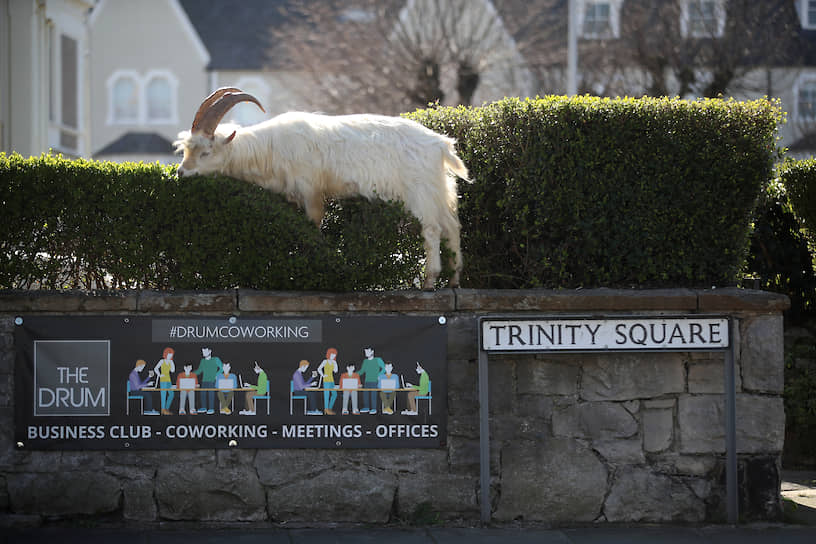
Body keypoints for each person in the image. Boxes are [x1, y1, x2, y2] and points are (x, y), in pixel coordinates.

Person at [194, 347, 223, 415]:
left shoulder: (216, 359)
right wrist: (191, 373)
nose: (203, 353)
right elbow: (199, 370)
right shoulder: (202, 361)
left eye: (205, 351)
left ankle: (211, 408)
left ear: (210, 351)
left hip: (212, 380)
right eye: (203, 351)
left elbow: (222, 368)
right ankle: (204, 408)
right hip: (204, 380)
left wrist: (216, 375)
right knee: (203, 394)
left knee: (211, 394)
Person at [358, 347, 385, 414]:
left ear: (372, 351)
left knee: (373, 394)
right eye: (365, 352)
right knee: (365, 394)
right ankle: (366, 407)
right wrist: (353, 374)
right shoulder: (365, 361)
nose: (366, 353)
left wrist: (379, 375)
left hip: (375, 381)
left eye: (368, 351)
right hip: (367, 381)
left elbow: (384, 368)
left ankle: (374, 408)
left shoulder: (378, 360)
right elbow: (361, 371)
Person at [154, 347, 176, 415]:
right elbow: (155, 368)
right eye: (169, 354)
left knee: (171, 394)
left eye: (171, 355)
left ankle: (166, 408)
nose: (170, 356)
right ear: (166, 354)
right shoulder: (162, 361)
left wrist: (172, 362)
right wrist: (160, 375)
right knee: (163, 395)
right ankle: (163, 410)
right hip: (163, 380)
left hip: (168, 380)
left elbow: (173, 371)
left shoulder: (170, 362)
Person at [317, 348, 339, 415]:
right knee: (326, 395)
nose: (333, 356)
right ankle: (326, 409)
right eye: (332, 354)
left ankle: (329, 408)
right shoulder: (325, 361)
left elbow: (336, 371)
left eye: (334, 355)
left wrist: (335, 363)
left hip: (332, 380)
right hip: (326, 380)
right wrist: (323, 375)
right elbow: (319, 369)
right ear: (329, 354)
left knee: (334, 394)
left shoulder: (334, 362)